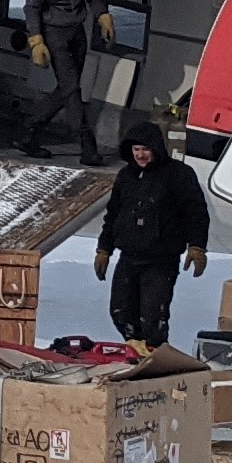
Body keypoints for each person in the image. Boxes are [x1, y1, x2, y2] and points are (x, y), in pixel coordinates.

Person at [90, 121, 214, 349]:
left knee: (153, 316)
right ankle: (135, 351)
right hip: (128, 257)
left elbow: (195, 212)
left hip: (161, 260)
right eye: (136, 150)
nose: (140, 155)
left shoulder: (179, 174)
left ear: (156, 148)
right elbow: (113, 214)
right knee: (121, 312)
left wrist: (197, 246)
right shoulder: (126, 176)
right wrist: (104, 249)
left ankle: (155, 354)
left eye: (145, 149)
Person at [26, 0, 104, 164]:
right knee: (71, 90)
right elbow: (32, 6)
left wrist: (102, 13)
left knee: (67, 88)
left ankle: (28, 134)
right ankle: (88, 148)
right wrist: (36, 40)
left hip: (77, 30)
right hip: (53, 32)